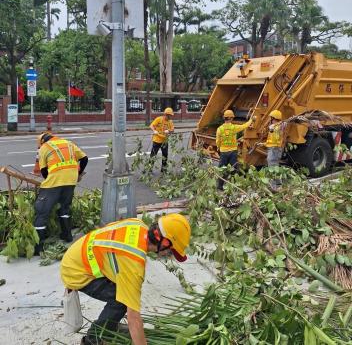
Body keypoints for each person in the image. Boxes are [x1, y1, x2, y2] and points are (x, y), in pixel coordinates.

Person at [60, 213, 191, 345]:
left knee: (124, 292)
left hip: (77, 253)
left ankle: (109, 325)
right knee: (121, 300)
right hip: (76, 271)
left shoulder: (138, 224)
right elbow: (133, 317)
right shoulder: (133, 264)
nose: (169, 255)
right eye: (170, 251)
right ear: (164, 242)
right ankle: (93, 339)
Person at [34, 131, 88, 255]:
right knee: (64, 208)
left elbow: (43, 171)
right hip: (71, 180)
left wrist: (49, 180)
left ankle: (38, 248)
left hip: (55, 182)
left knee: (41, 211)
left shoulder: (44, 147)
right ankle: (67, 235)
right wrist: (79, 174)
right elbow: (84, 158)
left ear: (42, 141)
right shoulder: (68, 143)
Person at [216, 109, 254, 189]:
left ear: (224, 118)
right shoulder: (234, 128)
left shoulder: (219, 129)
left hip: (223, 152)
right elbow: (245, 126)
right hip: (233, 152)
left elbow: (218, 141)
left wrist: (218, 148)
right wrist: (251, 119)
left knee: (222, 169)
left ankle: (220, 186)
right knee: (234, 169)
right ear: (230, 118)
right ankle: (234, 186)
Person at [265, 110, 286, 191]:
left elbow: (282, 127)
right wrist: (263, 144)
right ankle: (278, 184)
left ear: (274, 118)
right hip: (273, 148)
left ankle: (273, 187)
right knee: (275, 166)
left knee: (272, 167)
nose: (270, 119)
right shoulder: (274, 126)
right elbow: (271, 139)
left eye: (271, 118)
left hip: (275, 149)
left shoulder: (279, 126)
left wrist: (274, 126)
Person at [149, 107, 175, 172]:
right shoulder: (159, 119)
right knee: (153, 155)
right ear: (166, 114)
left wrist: (169, 131)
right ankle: (149, 169)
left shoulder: (170, 122)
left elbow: (172, 130)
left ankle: (163, 169)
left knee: (165, 155)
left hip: (165, 141)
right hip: (157, 140)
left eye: (171, 115)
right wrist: (154, 130)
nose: (171, 116)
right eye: (170, 115)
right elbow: (151, 125)